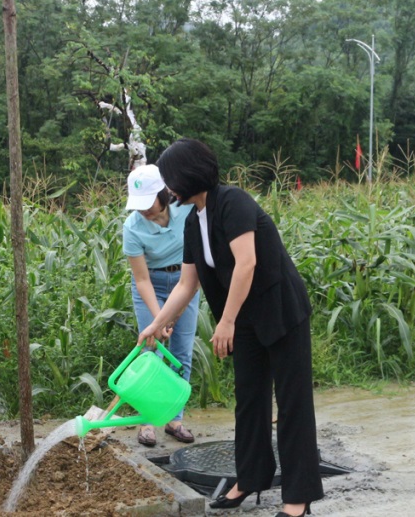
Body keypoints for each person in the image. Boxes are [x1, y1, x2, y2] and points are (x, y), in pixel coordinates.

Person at [139, 138, 323, 517]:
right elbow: (186, 285)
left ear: (188, 175)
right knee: (250, 400)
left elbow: (247, 264)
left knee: (292, 404)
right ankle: (250, 479)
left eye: (170, 178)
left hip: (280, 308)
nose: (168, 188)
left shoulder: (233, 202)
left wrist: (225, 321)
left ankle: (297, 500)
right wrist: (158, 323)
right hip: (245, 319)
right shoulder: (192, 221)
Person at [122, 164, 201, 447]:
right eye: (138, 204)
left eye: (149, 203)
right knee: (151, 350)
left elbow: (202, 261)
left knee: (181, 351)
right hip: (151, 285)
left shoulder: (187, 210)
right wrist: (160, 320)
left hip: (187, 280)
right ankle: (147, 421)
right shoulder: (132, 227)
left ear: (164, 194)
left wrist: (175, 314)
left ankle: (174, 419)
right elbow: (141, 279)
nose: (144, 210)